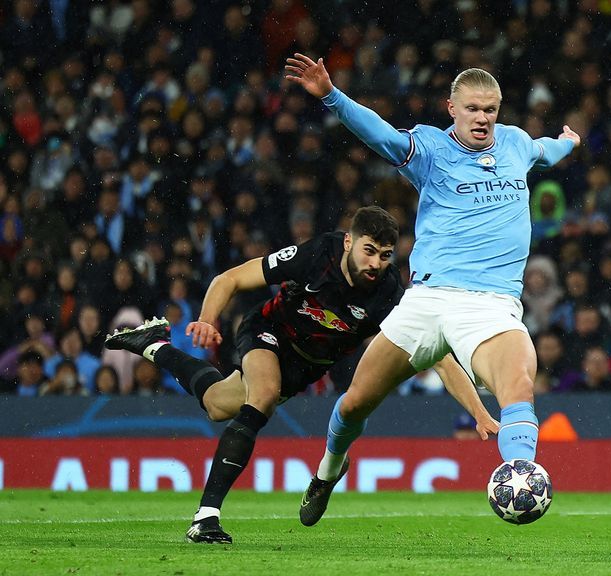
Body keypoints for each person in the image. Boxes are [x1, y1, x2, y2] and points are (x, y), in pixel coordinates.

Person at [284, 53, 580, 527]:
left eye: (491, 109)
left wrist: (568, 142)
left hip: (488, 304)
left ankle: (521, 469)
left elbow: (547, 149)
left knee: (518, 384)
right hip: (425, 301)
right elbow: (382, 135)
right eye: (473, 109)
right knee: (356, 400)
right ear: (452, 109)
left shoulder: (515, 144)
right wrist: (332, 97)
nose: (483, 118)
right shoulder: (429, 150)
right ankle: (327, 471)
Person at [105, 206, 497, 543]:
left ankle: (154, 345)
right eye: (370, 251)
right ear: (349, 242)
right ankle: (206, 517)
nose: (376, 263)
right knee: (261, 398)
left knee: (217, 404)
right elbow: (231, 278)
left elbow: (440, 357)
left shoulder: (390, 293)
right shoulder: (316, 254)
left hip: (307, 366)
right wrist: (207, 319)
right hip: (268, 330)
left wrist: (479, 412)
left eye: (386, 255)